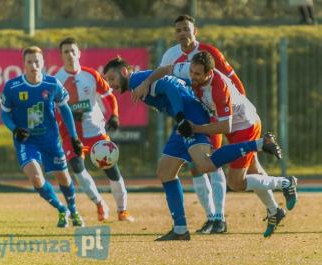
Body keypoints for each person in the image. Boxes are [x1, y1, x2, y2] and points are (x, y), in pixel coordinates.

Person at [103, 56, 283, 241]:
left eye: (111, 78)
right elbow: (166, 75)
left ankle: (260, 145)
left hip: (190, 116)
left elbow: (170, 87)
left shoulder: (136, 80)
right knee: (165, 171)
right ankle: (180, 229)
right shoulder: (142, 80)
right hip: (185, 116)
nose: (110, 84)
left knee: (205, 165)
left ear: (124, 72)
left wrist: (181, 117)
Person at [156, 13, 248, 234]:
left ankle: (220, 218)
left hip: (213, 115)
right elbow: (164, 82)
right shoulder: (171, 55)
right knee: (195, 168)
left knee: (211, 162)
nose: (182, 33)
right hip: (188, 115)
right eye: (178, 30)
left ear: (194, 31)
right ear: (175, 33)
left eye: (186, 29)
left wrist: (238, 108)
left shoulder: (209, 53)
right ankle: (209, 217)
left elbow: (233, 81)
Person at [0, 46, 84, 228]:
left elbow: (65, 109)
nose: (34, 65)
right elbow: (4, 114)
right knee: (36, 177)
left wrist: (74, 137)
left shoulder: (52, 84)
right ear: (23, 64)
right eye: (29, 62)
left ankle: (74, 209)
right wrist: (15, 129)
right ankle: (62, 209)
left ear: (43, 63)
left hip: (50, 140)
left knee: (64, 178)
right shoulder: (13, 87)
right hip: (26, 141)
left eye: (37, 61)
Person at [55, 37, 134, 222]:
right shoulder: (56, 80)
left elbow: (109, 96)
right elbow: (55, 109)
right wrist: (68, 117)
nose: (70, 55)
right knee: (77, 168)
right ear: (61, 55)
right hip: (71, 134)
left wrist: (114, 115)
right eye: (66, 51)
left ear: (79, 53)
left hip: (95, 131)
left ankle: (122, 210)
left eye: (73, 51)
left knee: (111, 169)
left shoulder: (91, 75)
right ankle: (99, 203)